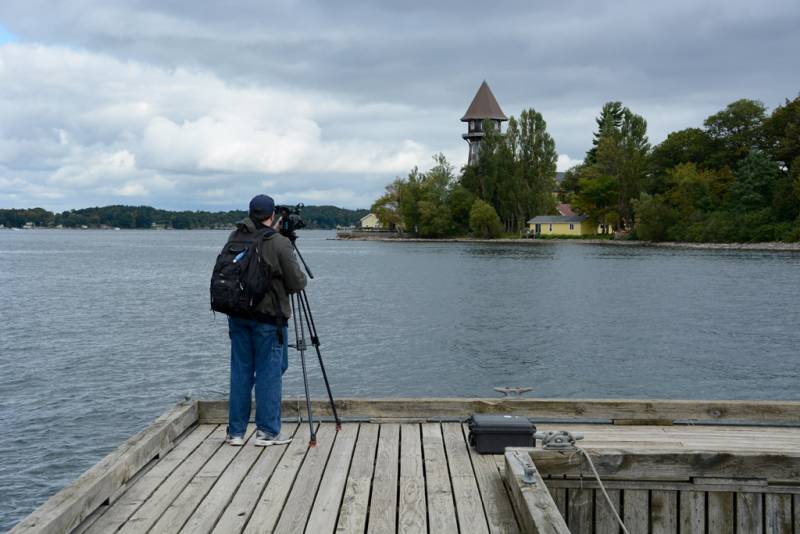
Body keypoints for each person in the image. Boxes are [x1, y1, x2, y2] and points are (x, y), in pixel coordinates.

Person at [225, 194, 307, 446]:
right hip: (269, 318)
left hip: (237, 315)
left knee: (241, 371)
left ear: (251, 213)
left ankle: (235, 433)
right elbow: (297, 283)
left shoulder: (235, 236)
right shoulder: (278, 242)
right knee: (270, 372)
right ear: (272, 216)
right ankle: (268, 432)